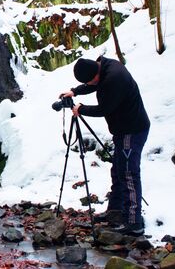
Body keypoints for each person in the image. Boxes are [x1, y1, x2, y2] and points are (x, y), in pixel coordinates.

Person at [60, 56, 150, 236]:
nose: (90, 83)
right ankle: (116, 212)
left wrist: (81, 109)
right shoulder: (104, 65)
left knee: (128, 174)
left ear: (95, 73)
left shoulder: (114, 78)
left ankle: (134, 222)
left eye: (89, 80)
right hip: (123, 129)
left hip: (131, 130)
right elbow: (94, 83)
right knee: (118, 171)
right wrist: (74, 91)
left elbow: (104, 109)